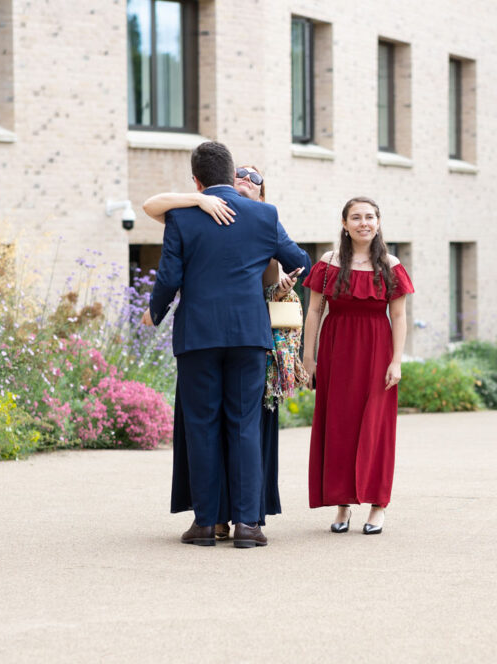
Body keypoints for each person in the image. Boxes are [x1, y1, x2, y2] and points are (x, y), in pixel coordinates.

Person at [145, 142, 311, 548]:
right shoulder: (264, 214)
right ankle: (248, 527)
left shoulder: (182, 216)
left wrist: (155, 312)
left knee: (201, 427)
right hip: (248, 335)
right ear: (231, 172)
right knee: (244, 426)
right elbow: (298, 258)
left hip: (199, 335)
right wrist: (277, 283)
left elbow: (169, 276)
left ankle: (206, 523)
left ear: (197, 180)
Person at [302, 197, 414, 535]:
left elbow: (398, 315)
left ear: (379, 222)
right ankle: (342, 505)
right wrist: (309, 358)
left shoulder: (390, 265)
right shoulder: (328, 262)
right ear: (344, 223)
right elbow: (314, 312)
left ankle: (378, 505)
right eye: (356, 217)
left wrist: (396, 360)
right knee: (339, 426)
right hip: (337, 352)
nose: (363, 222)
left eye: (369, 217)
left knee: (376, 428)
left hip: (377, 353)